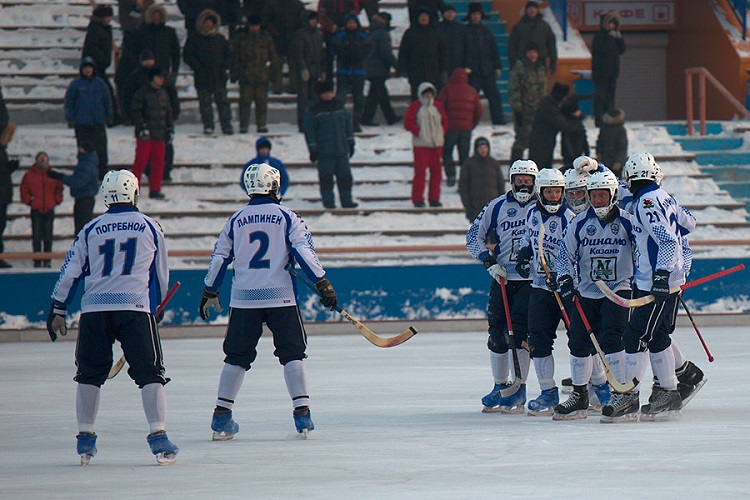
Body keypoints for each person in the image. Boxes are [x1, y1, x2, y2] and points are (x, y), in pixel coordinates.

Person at [46, 170, 178, 465]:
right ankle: (159, 438)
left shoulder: (91, 228)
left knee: (89, 374)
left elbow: (70, 270)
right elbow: (160, 274)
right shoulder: (149, 226)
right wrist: (156, 307)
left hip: (95, 310)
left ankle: (85, 439)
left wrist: (58, 307)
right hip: (134, 308)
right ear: (134, 192)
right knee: (150, 372)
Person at [200, 163, 339, 440]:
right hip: (281, 297)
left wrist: (210, 290)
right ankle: (302, 416)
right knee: (293, 354)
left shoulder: (235, 219)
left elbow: (219, 259)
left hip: (244, 299)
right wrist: (323, 282)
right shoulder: (288, 217)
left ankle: (221, 417)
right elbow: (304, 253)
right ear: (274, 186)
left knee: (236, 357)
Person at [601, 153, 704, 423]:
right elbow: (688, 223)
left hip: (656, 283)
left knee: (635, 337)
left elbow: (668, 241)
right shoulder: (661, 197)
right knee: (658, 336)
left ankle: (628, 394)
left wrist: (661, 276)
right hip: (662, 281)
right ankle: (668, 391)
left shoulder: (646, 201)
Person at [552, 169, 636, 420]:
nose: (598, 201)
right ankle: (579, 396)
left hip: (618, 290)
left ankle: (621, 394)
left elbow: (643, 250)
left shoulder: (628, 221)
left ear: (612, 195)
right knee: (578, 341)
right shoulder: (578, 223)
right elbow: (563, 256)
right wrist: (565, 279)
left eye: (603, 195)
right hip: (587, 292)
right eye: (594, 196)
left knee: (612, 339)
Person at [466, 159, 538, 413]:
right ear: (512, 180)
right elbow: (473, 235)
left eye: (528, 180)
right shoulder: (496, 206)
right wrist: (487, 260)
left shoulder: (543, 206)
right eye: (519, 179)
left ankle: (519, 388)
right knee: (496, 333)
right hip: (502, 278)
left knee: (520, 336)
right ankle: (500, 386)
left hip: (531, 281)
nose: (523, 184)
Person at [514, 167, 574, 415]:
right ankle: (548, 391)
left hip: (567, 289)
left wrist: (562, 276)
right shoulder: (531, 213)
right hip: (539, 287)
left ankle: (595, 387)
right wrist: (523, 254)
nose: (553, 196)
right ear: (540, 191)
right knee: (538, 339)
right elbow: (528, 240)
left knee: (580, 338)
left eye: (557, 191)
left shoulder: (570, 217)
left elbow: (575, 253)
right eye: (548, 191)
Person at [303, 80, 358, 209]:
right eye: (325, 93)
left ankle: (347, 200)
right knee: (326, 178)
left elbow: (348, 126)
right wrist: (313, 148)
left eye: (330, 92)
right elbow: (309, 131)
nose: (328, 95)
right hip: (324, 152)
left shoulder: (340, 107)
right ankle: (329, 202)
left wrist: (351, 142)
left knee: (345, 178)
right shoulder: (314, 110)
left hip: (341, 150)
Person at [183, 9, 233, 135]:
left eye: (211, 22)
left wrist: (224, 67)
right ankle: (208, 125)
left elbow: (228, 55)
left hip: (219, 76)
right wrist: (197, 67)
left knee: (223, 102)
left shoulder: (220, 39)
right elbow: (187, 55)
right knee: (205, 104)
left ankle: (226, 125)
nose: (208, 25)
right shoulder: (194, 38)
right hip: (202, 76)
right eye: (206, 22)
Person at [64, 57, 113, 180]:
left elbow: (107, 101)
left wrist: (109, 115)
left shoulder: (100, 84)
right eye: (85, 67)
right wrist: (70, 118)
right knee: (84, 149)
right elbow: (69, 102)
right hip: (82, 123)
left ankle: (102, 174)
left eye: (90, 67)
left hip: (97, 122)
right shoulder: (75, 85)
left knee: (101, 149)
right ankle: (85, 173)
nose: (88, 70)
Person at [130, 67, 175, 200]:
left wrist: (170, 128)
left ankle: (155, 189)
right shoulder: (142, 93)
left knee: (158, 163)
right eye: (158, 77)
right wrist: (141, 127)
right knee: (140, 162)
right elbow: (135, 111)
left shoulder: (164, 93)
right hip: (146, 134)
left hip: (160, 134)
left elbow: (168, 112)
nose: (161, 80)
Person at [404, 82, 448, 208]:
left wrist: (440, 133)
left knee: (437, 173)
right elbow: (408, 123)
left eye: (430, 93)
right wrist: (419, 133)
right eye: (426, 93)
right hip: (421, 145)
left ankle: (434, 198)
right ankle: (418, 199)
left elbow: (444, 120)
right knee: (420, 173)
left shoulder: (438, 106)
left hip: (436, 145)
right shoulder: (415, 106)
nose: (428, 95)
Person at [230, 15, 276, 134]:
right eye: (253, 26)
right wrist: (234, 73)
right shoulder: (241, 38)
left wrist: (273, 73)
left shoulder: (266, 37)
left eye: (256, 26)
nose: (255, 28)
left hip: (262, 75)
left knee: (261, 102)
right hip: (245, 75)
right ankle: (243, 125)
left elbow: (273, 56)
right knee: (245, 103)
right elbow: (235, 57)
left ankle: (261, 124)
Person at [436, 68, 482, 187]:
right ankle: (465, 178)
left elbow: (439, 107)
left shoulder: (447, 89)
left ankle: (451, 175)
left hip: (450, 128)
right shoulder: (472, 91)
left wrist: (442, 124)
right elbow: (479, 111)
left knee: (447, 152)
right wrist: (472, 124)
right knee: (464, 155)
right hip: (466, 129)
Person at [20, 152, 64, 268]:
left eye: (45, 158)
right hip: (36, 209)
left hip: (49, 208)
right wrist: (30, 201)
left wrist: (57, 200)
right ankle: (37, 260)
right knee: (36, 236)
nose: (43, 160)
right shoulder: (29, 175)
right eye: (40, 158)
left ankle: (47, 260)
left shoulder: (52, 174)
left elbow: (59, 189)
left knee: (48, 236)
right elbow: (24, 190)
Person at [464, 2, 505, 125]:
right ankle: (468, 122)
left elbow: (494, 51)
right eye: (474, 14)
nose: (476, 17)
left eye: (478, 14)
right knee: (469, 99)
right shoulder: (464, 32)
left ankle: (498, 120)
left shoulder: (487, 32)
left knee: (495, 97)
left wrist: (497, 66)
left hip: (488, 70)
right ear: (470, 16)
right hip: (472, 72)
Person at [48, 143, 100, 235]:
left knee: (82, 229)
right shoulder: (88, 162)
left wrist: (60, 177)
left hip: (84, 199)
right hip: (85, 198)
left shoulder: (86, 165)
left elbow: (77, 182)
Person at [509, 42, 548, 163]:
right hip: (524, 111)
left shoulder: (541, 69)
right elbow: (514, 90)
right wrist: (518, 110)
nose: (533, 55)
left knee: (537, 141)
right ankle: (515, 167)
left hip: (538, 112)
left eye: (535, 52)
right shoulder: (519, 69)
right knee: (521, 140)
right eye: (530, 52)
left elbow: (544, 90)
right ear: (526, 54)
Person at [82, 4, 120, 126]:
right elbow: (93, 49)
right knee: (105, 92)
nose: (109, 19)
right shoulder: (97, 30)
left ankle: (111, 117)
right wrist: (101, 60)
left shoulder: (101, 29)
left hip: (99, 66)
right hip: (96, 67)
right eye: (107, 16)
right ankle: (111, 117)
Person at [398, 7, 447, 100]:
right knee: (416, 98)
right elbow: (403, 52)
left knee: (433, 97)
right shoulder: (410, 33)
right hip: (416, 72)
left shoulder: (437, 33)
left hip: (433, 72)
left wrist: (443, 69)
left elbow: (443, 52)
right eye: (421, 16)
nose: (424, 18)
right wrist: (402, 68)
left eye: (426, 16)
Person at [361, 11, 400, 127]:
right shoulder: (383, 34)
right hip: (378, 68)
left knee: (381, 93)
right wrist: (396, 65)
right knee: (374, 95)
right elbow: (386, 53)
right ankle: (366, 118)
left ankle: (390, 117)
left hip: (371, 66)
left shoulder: (371, 32)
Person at [528, 82, 579, 169]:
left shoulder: (548, 104)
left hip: (543, 142)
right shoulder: (550, 108)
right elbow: (563, 125)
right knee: (540, 167)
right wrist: (577, 125)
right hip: (542, 143)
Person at [332, 13, 369, 132]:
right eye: (349, 22)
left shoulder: (363, 35)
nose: (351, 25)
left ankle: (356, 123)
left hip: (359, 71)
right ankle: (340, 122)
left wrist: (356, 54)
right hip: (344, 71)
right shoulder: (340, 35)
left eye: (353, 22)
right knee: (340, 99)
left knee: (359, 99)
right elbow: (336, 49)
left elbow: (367, 50)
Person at [262, 0, 305, 95]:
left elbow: (302, 21)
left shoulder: (297, 4)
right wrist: (274, 33)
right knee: (276, 65)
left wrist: (296, 34)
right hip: (277, 39)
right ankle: (277, 88)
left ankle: (294, 88)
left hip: (293, 39)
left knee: (294, 65)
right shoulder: (271, 4)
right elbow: (266, 20)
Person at [591, 11, 625, 127]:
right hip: (600, 73)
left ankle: (610, 119)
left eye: (614, 23)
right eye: (610, 23)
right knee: (600, 97)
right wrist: (610, 38)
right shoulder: (599, 37)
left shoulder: (615, 36)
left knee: (610, 97)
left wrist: (619, 39)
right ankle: (599, 120)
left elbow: (622, 50)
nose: (612, 26)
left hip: (612, 72)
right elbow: (600, 52)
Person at [458, 137, 504, 222]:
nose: (483, 150)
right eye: (481, 148)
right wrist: (468, 206)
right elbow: (463, 186)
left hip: (493, 206)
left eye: (485, 148)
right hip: (476, 207)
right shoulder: (469, 164)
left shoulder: (494, 163)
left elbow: (500, 185)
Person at [293, 10, 325, 133]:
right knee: (303, 99)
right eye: (311, 19)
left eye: (315, 19)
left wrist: (322, 70)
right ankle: (302, 123)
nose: (314, 21)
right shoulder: (300, 34)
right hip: (305, 72)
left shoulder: (318, 34)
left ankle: (314, 122)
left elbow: (322, 53)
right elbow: (298, 53)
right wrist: (303, 68)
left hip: (316, 71)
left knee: (314, 99)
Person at [508, 1, 557, 75]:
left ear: (537, 10)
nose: (532, 10)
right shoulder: (519, 26)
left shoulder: (545, 26)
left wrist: (553, 61)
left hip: (540, 61)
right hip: (523, 61)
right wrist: (512, 60)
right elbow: (512, 44)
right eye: (530, 8)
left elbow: (551, 44)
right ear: (526, 11)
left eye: (534, 8)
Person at [0, 117, 19, 268]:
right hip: (1, 195)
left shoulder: (3, 151)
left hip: (3, 195)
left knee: (2, 224)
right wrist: (9, 167)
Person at [596, 108, 628, 177]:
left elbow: (622, 147)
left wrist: (618, 161)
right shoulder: (604, 128)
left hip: (616, 163)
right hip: (605, 161)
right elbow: (600, 142)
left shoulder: (621, 130)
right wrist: (599, 153)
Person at [438, 4, 467, 75]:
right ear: (443, 14)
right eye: (448, 12)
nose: (450, 14)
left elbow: (467, 47)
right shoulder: (437, 28)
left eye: (452, 12)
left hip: (458, 64)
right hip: (441, 66)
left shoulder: (461, 28)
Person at [560, 95, 589, 167]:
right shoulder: (570, 124)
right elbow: (567, 140)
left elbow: (583, 138)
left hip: (576, 152)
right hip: (572, 153)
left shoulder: (577, 123)